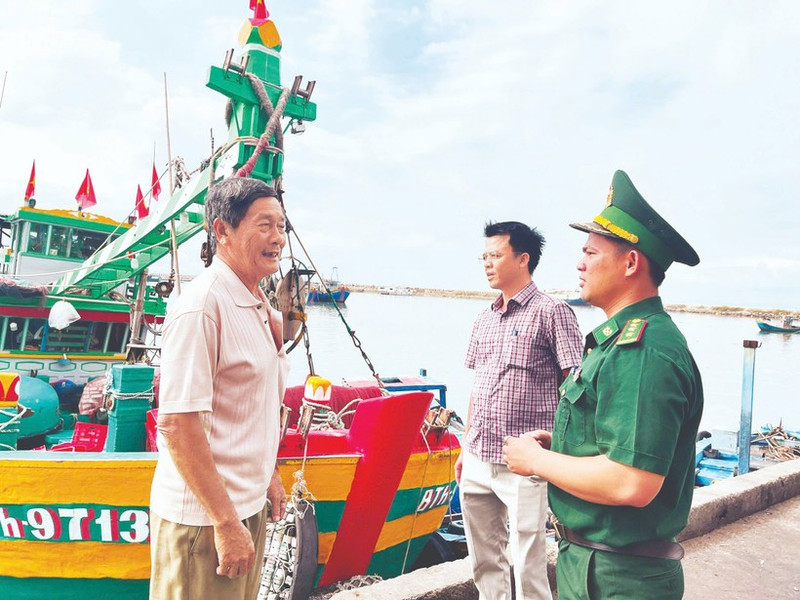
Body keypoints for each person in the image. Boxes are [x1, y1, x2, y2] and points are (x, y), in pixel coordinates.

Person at [503, 170, 704, 600]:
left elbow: (631, 481)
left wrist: (535, 461)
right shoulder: (618, 341)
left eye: (591, 252)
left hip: (620, 577)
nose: (580, 263)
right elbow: (611, 441)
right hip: (595, 563)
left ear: (631, 263)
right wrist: (560, 445)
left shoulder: (644, 349)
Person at [149, 177, 289, 600]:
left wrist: (269, 474)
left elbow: (249, 404)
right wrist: (226, 523)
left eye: (282, 226)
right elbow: (177, 424)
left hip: (243, 507)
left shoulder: (256, 300)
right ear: (222, 231)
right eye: (264, 225)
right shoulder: (202, 305)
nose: (277, 238)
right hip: (206, 519)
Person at [456, 221, 583, 600]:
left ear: (523, 258)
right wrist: (465, 448)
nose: (487, 264)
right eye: (484, 257)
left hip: (526, 464)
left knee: (527, 563)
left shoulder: (553, 312)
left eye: (495, 255)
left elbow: (575, 389)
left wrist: (559, 454)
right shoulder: (484, 318)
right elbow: (478, 388)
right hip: (479, 458)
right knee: (483, 562)